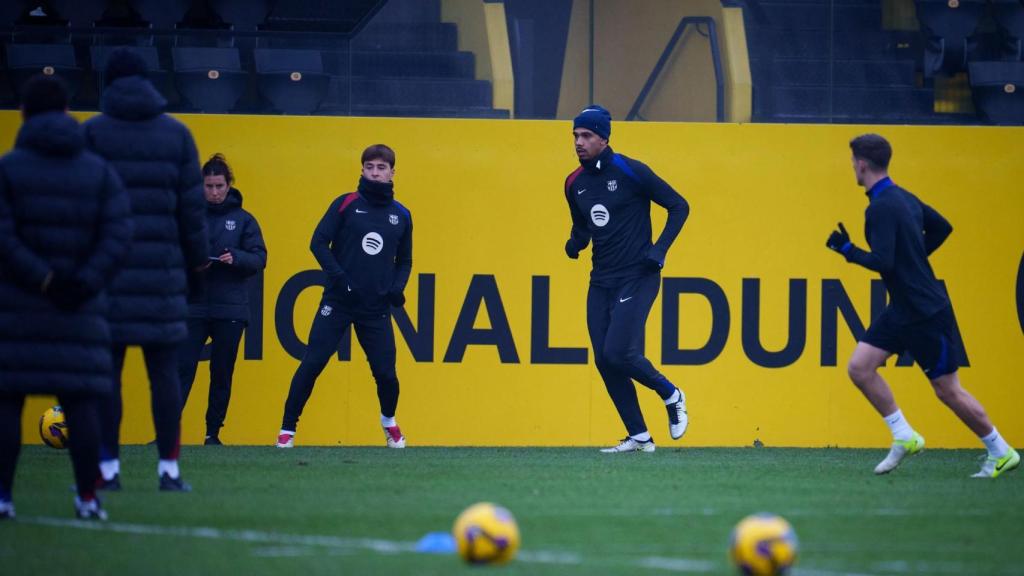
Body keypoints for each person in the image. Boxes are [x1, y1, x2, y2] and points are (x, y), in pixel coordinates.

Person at [826, 133, 1019, 478]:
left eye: (853, 160)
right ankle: (904, 435)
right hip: (903, 308)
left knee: (948, 390)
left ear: (862, 164)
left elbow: (884, 261)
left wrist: (849, 252)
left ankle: (1001, 450)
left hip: (926, 312)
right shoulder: (903, 198)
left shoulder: (881, 208)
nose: (852, 166)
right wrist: (914, 260)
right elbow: (942, 228)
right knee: (860, 368)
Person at [0, 75, 132, 520]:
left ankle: (3, 497)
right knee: (81, 400)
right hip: (80, 306)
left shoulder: (8, 168)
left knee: (8, 400)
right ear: (68, 111)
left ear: (24, 113)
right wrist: (84, 281)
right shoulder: (99, 171)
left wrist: (42, 278)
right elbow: (118, 235)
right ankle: (88, 498)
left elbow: (3, 236)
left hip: (18, 306)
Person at [83, 48, 208, 491]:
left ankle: (108, 469)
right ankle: (169, 470)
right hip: (162, 273)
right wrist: (194, 267)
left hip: (106, 274)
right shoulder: (176, 135)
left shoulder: (92, 133)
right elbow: (193, 214)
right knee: (164, 376)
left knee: (106, 377)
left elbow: (81, 209)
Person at [562, 105, 691, 453]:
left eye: (586, 135)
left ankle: (672, 394)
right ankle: (639, 437)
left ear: (604, 137)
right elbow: (584, 224)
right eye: (575, 135)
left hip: (638, 275)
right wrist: (576, 244)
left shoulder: (631, 171)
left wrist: (659, 250)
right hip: (600, 280)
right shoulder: (574, 183)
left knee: (620, 351)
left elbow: (680, 206)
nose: (579, 142)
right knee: (604, 359)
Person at [276, 144, 412, 449]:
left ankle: (389, 421)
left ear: (392, 172)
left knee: (386, 375)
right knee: (312, 363)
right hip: (338, 303)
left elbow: (405, 261)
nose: (375, 173)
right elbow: (318, 242)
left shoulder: (401, 215)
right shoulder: (346, 204)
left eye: (381, 168)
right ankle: (287, 429)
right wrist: (340, 280)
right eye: (369, 167)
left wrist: (397, 288)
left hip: (375, 309)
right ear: (362, 170)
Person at [178, 154, 267, 445]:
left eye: (219, 186)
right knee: (181, 368)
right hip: (193, 305)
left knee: (221, 373)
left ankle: (212, 433)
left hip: (230, 307)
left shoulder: (244, 220)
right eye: (209, 186)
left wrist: (236, 258)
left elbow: (259, 258)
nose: (214, 192)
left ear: (229, 185)